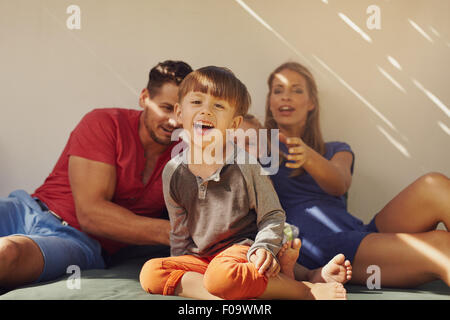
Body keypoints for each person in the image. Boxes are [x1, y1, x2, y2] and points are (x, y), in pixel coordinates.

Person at [139, 66, 348, 300]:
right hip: (202, 259)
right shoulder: (173, 171)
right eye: (196, 102)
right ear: (179, 112)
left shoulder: (247, 165)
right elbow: (179, 229)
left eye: (218, 106)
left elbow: (272, 215)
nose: (206, 111)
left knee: (224, 275)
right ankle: (223, 293)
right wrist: (179, 262)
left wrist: (264, 248)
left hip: (240, 253)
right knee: (151, 272)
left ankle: (306, 290)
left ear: (233, 123)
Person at [0, 60, 193, 290]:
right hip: (24, 208)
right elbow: (92, 212)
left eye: (182, 112)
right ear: (144, 98)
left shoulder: (188, 154)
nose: (174, 121)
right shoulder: (105, 122)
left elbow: (89, 223)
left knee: (7, 253)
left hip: (76, 240)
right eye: (166, 108)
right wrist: (176, 232)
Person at [264, 61, 450, 287]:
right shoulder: (259, 153)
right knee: (443, 246)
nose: (286, 96)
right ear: (270, 103)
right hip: (321, 247)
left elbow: (339, 184)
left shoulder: (336, 149)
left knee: (434, 184)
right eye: (278, 90)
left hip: (356, 233)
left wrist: (309, 157)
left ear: (311, 102)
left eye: (296, 90)